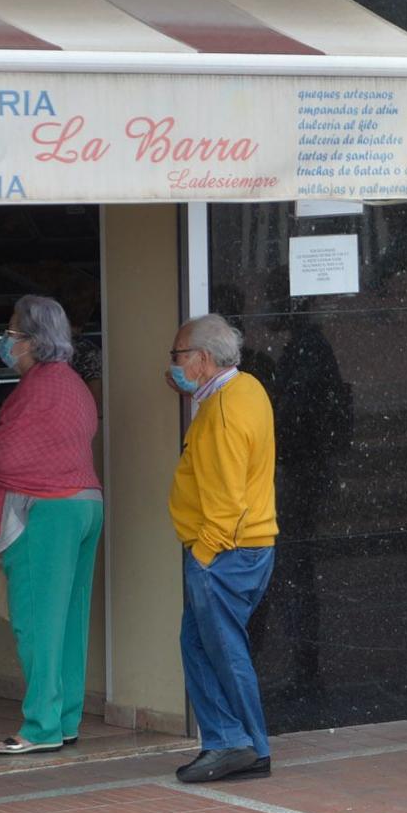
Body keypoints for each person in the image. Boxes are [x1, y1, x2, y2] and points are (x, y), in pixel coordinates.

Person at [0, 296, 102, 753]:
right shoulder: (74, 385)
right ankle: (65, 719)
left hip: (47, 512)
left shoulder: (34, 390)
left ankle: (40, 727)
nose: (7, 341)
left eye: (13, 333)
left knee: (37, 620)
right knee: (70, 620)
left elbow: (9, 457)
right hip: (85, 505)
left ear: (34, 341)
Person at [169, 314, 280, 783]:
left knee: (220, 648)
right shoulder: (245, 388)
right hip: (243, 548)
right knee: (202, 644)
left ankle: (240, 744)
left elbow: (228, 497)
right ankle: (235, 743)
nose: (173, 367)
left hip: (225, 554)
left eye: (178, 357)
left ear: (202, 359)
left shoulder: (224, 411)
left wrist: (204, 555)